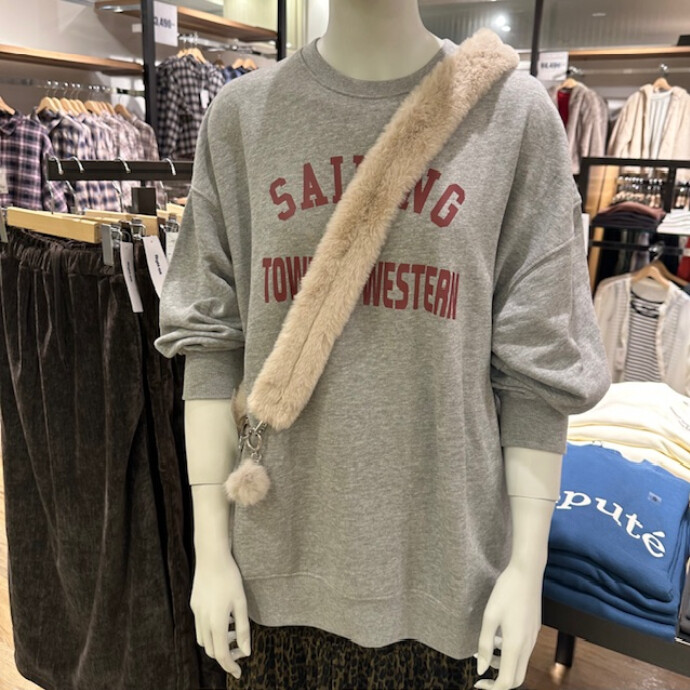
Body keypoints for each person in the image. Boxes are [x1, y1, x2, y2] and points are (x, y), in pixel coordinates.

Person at [156, 1, 611, 688]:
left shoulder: (514, 117)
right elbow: (211, 344)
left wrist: (527, 569)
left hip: (447, 578)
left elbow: (538, 367)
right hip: (273, 572)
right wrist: (211, 551)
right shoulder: (240, 117)